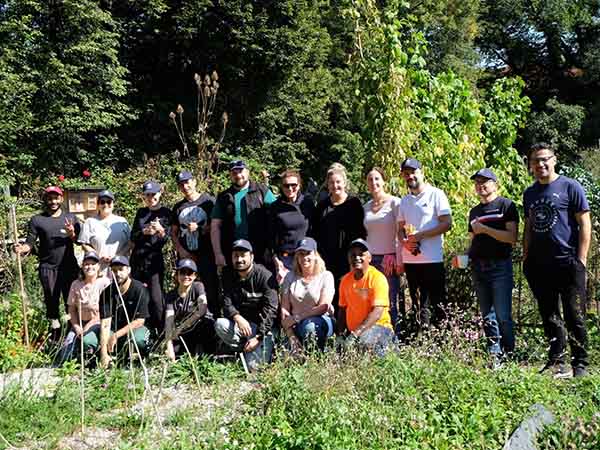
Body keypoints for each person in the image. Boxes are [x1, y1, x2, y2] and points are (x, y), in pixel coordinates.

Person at [523, 143, 591, 378]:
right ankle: (556, 361)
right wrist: (526, 256)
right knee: (549, 315)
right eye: (535, 161)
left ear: (554, 160)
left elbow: (584, 224)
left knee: (574, 315)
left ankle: (580, 363)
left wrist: (581, 259)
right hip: (540, 265)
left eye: (544, 159)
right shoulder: (529, 193)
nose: (540, 164)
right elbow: (529, 226)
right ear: (530, 165)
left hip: (568, 262)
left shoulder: (571, 187)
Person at [462, 168, 518, 364]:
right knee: (487, 316)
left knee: (503, 315)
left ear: (495, 184)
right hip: (478, 267)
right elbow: (472, 240)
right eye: (477, 182)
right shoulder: (474, 211)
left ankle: (510, 355)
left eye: (485, 181)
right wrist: (463, 257)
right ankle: (494, 355)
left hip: (500, 266)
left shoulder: (506, 206)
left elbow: (512, 238)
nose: (480, 185)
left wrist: (485, 229)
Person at [14, 186, 80, 341]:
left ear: (61, 199)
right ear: (45, 199)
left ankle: (72, 334)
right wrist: (21, 248)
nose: (53, 201)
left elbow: (78, 240)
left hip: (69, 267)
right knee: (51, 301)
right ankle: (55, 335)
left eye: (56, 198)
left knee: (70, 302)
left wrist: (72, 234)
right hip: (48, 268)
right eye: (50, 198)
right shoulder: (37, 220)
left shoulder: (70, 218)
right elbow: (30, 243)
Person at [398, 158, 452, 332]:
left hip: (432, 259)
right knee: (417, 305)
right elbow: (400, 228)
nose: (410, 176)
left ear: (422, 172)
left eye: (413, 172)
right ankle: (421, 341)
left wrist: (421, 235)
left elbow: (447, 223)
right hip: (411, 260)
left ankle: (442, 341)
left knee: (437, 304)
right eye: (406, 174)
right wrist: (405, 243)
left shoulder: (436, 194)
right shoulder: (404, 201)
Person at [214, 239, 278, 371]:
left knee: (253, 368)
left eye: (243, 255)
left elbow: (271, 309)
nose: (239, 259)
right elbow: (226, 302)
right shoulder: (228, 275)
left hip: (263, 329)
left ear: (252, 256)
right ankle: (242, 349)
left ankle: (259, 349)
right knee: (220, 324)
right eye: (236, 256)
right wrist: (237, 317)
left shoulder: (265, 276)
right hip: (242, 326)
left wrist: (258, 337)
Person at [312, 164, 366, 310]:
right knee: (329, 294)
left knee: (348, 294)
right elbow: (315, 233)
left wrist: (355, 258)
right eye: (331, 182)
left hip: (348, 258)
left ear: (344, 183)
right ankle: (332, 327)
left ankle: (349, 328)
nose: (335, 185)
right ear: (327, 185)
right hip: (326, 260)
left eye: (338, 182)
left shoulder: (353, 204)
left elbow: (360, 233)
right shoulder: (322, 206)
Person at [211, 160, 277, 269]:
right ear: (230, 175)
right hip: (233, 253)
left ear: (248, 172)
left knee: (264, 284)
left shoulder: (262, 191)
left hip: (261, 252)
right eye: (234, 173)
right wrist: (218, 254)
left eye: (241, 171)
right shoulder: (223, 197)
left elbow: (278, 214)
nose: (238, 175)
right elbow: (215, 226)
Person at [171, 171, 218, 315]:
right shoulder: (178, 207)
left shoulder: (209, 202)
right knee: (186, 290)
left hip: (207, 255)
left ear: (195, 182)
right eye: (181, 184)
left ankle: (213, 322)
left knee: (210, 289)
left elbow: (218, 226)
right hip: (186, 256)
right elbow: (174, 232)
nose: (185, 186)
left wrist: (200, 227)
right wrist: (181, 251)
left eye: (187, 182)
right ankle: (186, 321)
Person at [337, 239, 395, 355]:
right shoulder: (345, 281)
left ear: (369, 258)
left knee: (365, 340)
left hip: (381, 328)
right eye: (353, 255)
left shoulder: (377, 278)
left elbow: (377, 312)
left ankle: (385, 358)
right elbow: (342, 310)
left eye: (361, 254)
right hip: (356, 332)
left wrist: (354, 335)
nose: (357, 258)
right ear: (349, 258)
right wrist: (340, 336)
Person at [363, 167, 403, 331]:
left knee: (390, 301)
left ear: (384, 181)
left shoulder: (395, 203)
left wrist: (397, 256)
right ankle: (375, 339)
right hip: (371, 261)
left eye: (377, 179)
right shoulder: (365, 207)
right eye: (370, 180)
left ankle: (395, 338)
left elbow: (402, 232)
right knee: (372, 301)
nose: (374, 182)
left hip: (389, 259)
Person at [280, 238, 335, 352]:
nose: (305, 257)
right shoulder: (290, 277)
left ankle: (315, 358)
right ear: (297, 257)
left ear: (315, 255)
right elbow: (284, 309)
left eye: (308, 253)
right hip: (295, 324)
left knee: (310, 328)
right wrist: (291, 336)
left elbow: (323, 307)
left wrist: (297, 318)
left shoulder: (326, 276)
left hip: (320, 321)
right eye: (301, 254)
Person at [130, 181, 171, 331]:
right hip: (138, 259)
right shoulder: (141, 212)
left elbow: (168, 238)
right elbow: (133, 237)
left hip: (154, 260)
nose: (150, 197)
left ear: (159, 194)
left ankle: (162, 333)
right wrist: (143, 232)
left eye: (153, 194)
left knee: (156, 298)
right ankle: (138, 331)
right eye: (147, 195)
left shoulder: (166, 213)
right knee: (137, 295)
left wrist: (160, 231)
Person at [56, 251, 110, 364]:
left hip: (98, 322)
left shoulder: (104, 282)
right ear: (82, 266)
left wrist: (88, 326)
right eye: (86, 264)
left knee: (87, 341)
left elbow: (107, 310)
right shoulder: (76, 284)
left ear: (98, 266)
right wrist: (76, 327)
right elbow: (71, 309)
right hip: (80, 323)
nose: (89, 267)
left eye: (93, 264)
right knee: (64, 355)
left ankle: (95, 357)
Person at [99, 256, 150, 368]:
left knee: (139, 340)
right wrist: (103, 353)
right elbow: (105, 324)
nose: (117, 273)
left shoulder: (139, 289)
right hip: (114, 329)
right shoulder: (106, 292)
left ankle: (139, 359)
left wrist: (116, 336)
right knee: (90, 340)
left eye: (121, 269)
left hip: (134, 329)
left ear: (129, 270)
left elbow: (140, 321)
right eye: (114, 270)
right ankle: (104, 358)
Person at [164, 259, 215, 360]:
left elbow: (202, 309)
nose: (186, 277)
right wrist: (169, 346)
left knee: (206, 326)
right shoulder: (170, 295)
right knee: (177, 353)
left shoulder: (198, 286)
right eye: (182, 273)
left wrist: (181, 327)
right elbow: (169, 321)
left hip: (201, 326)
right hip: (185, 331)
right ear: (177, 275)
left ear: (195, 275)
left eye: (190, 273)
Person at [268, 169, 315, 279]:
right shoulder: (276, 207)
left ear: (299, 185)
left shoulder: (307, 203)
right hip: (285, 259)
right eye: (286, 185)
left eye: (293, 185)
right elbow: (270, 235)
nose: (290, 188)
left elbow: (315, 230)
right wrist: (275, 259)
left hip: (306, 257)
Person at [79, 190, 131, 274]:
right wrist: (97, 256)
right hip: (98, 268)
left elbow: (130, 243)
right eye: (102, 202)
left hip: (119, 269)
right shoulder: (90, 222)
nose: (105, 205)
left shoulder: (122, 221)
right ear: (98, 205)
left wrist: (117, 256)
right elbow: (84, 244)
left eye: (109, 202)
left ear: (113, 204)